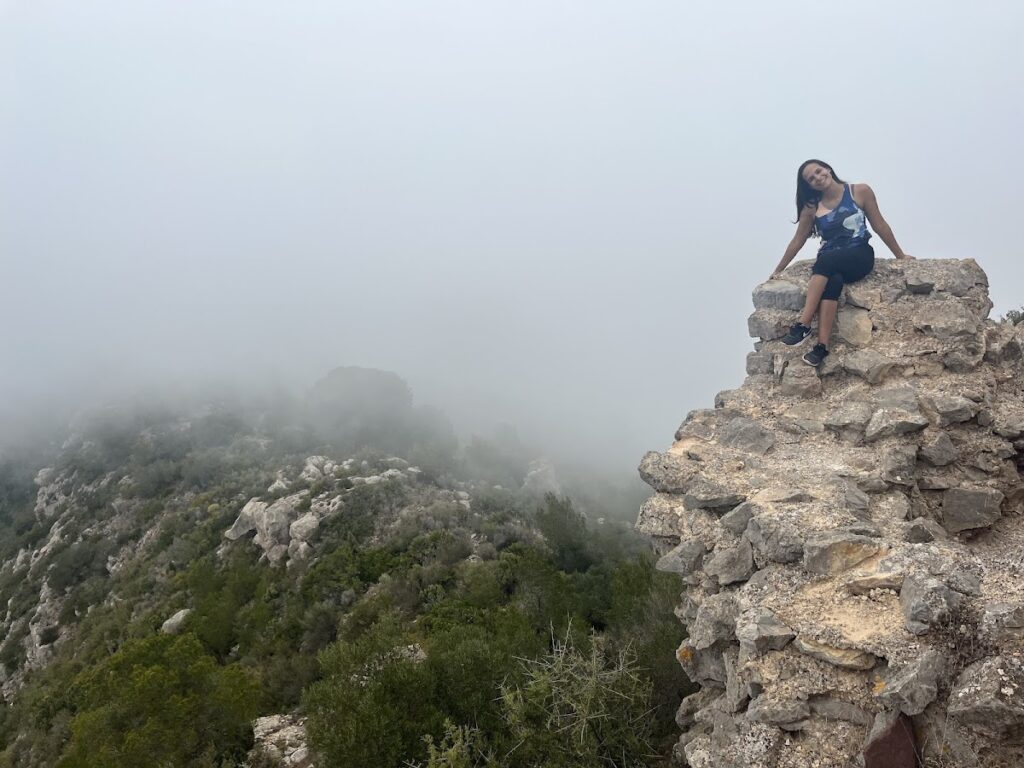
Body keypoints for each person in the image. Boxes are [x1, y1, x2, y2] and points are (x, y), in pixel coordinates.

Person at [769, 159, 914, 366]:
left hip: (859, 254)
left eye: (819, 171)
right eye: (811, 178)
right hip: (830, 262)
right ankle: (821, 348)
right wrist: (778, 270)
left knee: (825, 263)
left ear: (828, 169)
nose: (818, 178)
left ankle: (804, 323)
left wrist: (900, 255)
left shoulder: (860, 191)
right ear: (809, 186)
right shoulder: (811, 207)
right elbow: (797, 241)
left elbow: (880, 224)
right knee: (833, 281)